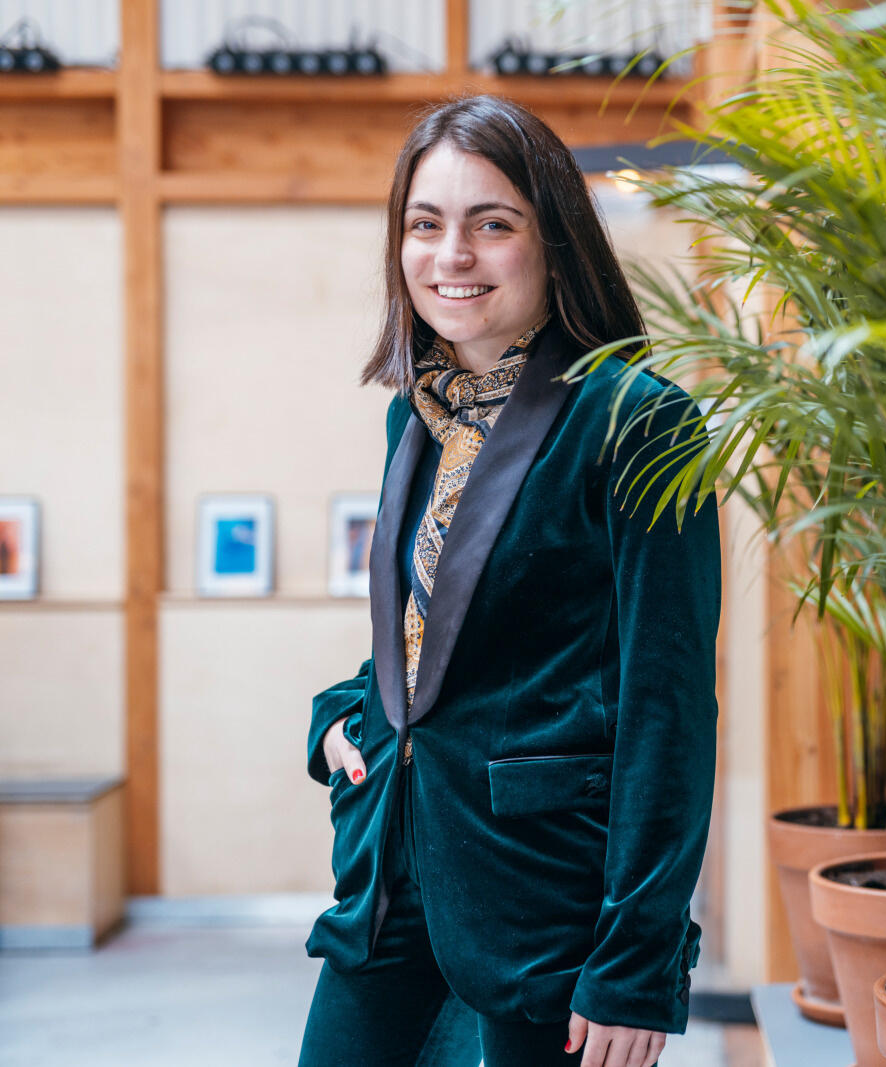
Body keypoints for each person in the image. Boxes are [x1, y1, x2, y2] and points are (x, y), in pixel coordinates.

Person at [298, 95, 721, 1067]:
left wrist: (636, 962)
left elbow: (666, 708)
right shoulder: (415, 415)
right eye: (425, 224)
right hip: (390, 871)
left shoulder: (636, 419)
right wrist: (338, 715)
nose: (452, 254)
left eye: (492, 223)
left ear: (555, 240)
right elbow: (428, 638)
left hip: (548, 902)